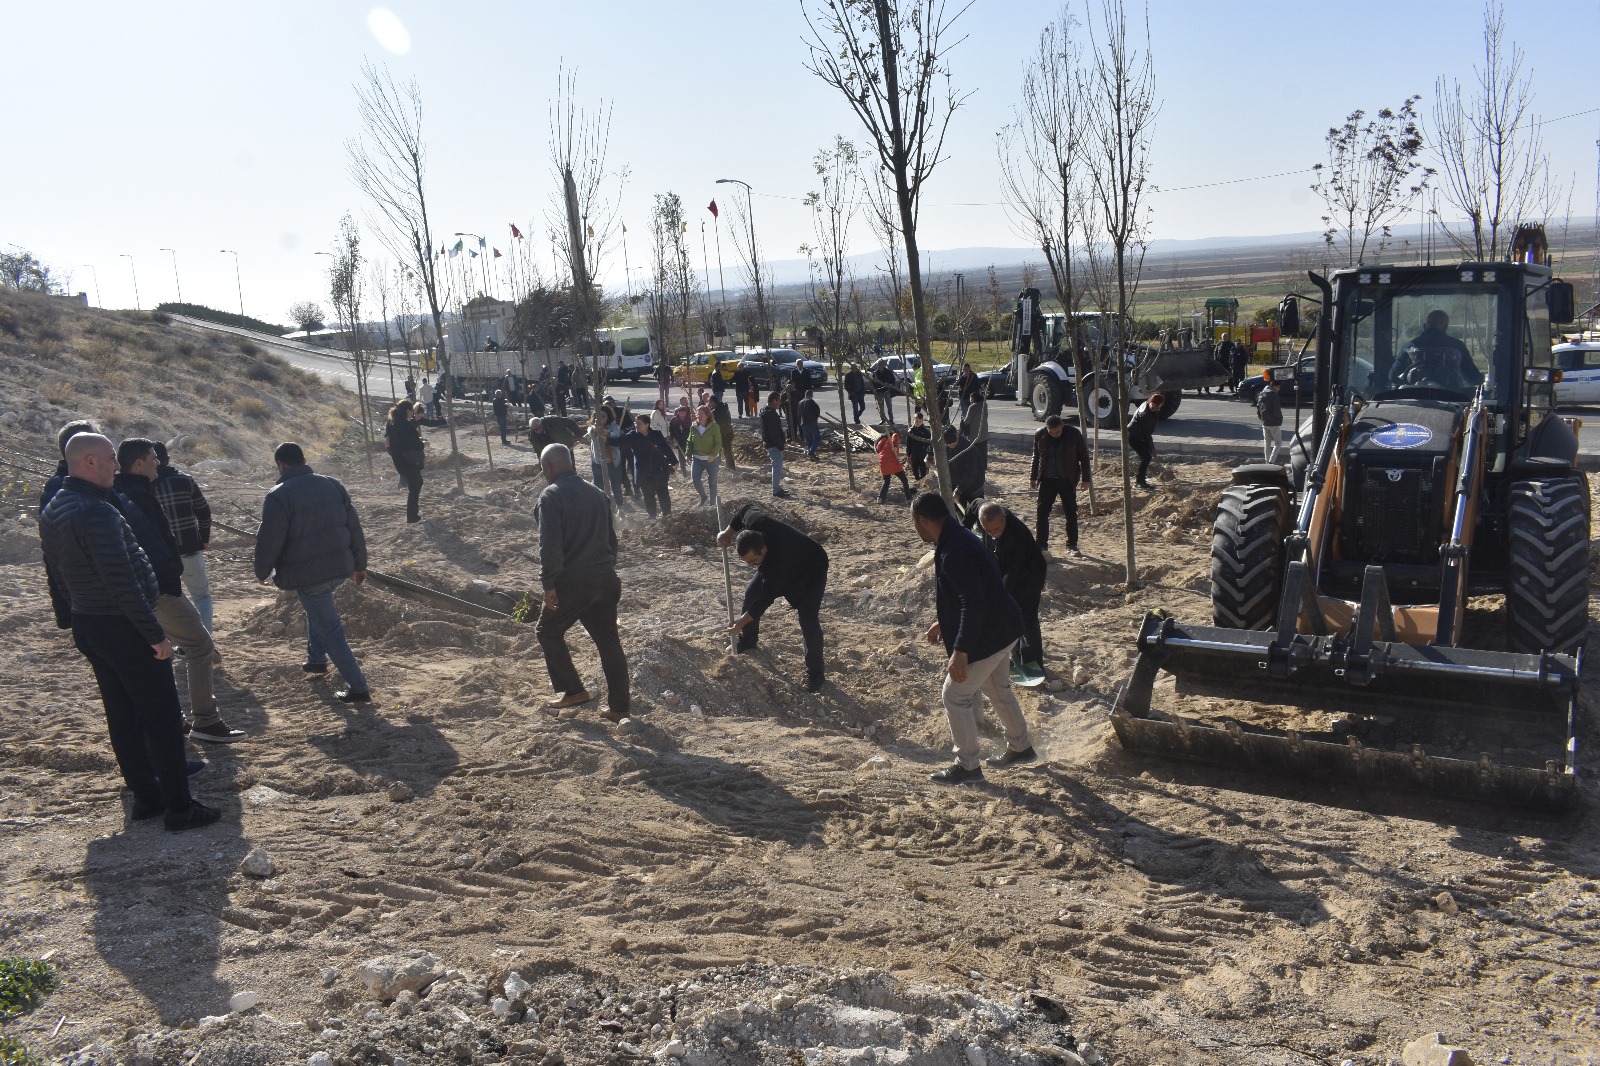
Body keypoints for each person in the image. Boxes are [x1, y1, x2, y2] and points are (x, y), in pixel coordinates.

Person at [40, 434, 222, 831]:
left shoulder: (56, 506)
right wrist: (154, 634)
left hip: (91, 622)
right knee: (162, 716)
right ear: (89, 462)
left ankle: (147, 797)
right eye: (110, 458)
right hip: (120, 624)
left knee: (122, 714)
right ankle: (179, 808)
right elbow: (121, 581)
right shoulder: (95, 510)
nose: (117, 465)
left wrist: (74, 614)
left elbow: (58, 574)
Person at [113, 438, 243, 744]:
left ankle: (173, 718)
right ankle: (206, 721)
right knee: (200, 645)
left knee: (156, 653)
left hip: (146, 590)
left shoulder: (124, 494)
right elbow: (152, 547)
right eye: (152, 458)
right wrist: (169, 582)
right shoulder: (136, 498)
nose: (158, 462)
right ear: (138, 463)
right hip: (160, 590)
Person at [911, 492, 1035, 784]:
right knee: (996, 687)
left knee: (954, 695)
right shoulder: (958, 537)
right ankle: (1021, 747)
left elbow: (974, 602)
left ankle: (967, 765)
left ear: (924, 521)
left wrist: (961, 650)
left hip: (990, 633)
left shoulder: (955, 550)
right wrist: (944, 622)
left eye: (913, 521)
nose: (914, 527)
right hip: (1003, 626)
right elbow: (977, 589)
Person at [253, 443, 371, 703]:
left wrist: (262, 570)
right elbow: (354, 526)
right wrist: (359, 565)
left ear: (281, 465)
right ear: (303, 459)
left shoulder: (278, 495)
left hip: (308, 574)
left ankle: (359, 687)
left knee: (330, 629)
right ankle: (316, 660)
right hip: (340, 567)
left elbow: (269, 540)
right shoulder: (332, 484)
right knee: (317, 610)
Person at [532, 443, 630, 721]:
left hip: (574, 582)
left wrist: (548, 583)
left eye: (543, 469)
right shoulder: (597, 493)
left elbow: (549, 545)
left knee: (547, 631)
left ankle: (574, 691)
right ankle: (620, 708)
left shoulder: (551, 496)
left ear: (549, 466)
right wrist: (604, 568)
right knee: (608, 641)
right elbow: (612, 541)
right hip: (606, 579)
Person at [716, 504, 830, 692]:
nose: (751, 566)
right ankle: (748, 640)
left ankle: (815, 674)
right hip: (785, 560)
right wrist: (727, 533)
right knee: (751, 593)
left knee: (808, 619)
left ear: (764, 549)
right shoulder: (757, 522)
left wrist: (740, 623)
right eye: (746, 562)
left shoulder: (776, 567)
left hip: (811, 569)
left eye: (753, 561)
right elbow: (745, 510)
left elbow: (764, 601)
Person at [150, 441, 217, 632]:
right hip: (189, 548)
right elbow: (204, 512)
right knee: (201, 597)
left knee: (165, 601)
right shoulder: (185, 480)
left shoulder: (143, 487)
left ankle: (176, 641)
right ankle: (205, 640)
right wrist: (204, 538)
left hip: (160, 555)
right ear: (167, 459)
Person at [978, 502, 1048, 673]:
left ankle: (1033, 665)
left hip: (1029, 578)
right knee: (1011, 618)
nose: (993, 533)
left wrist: (999, 598)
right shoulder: (990, 518)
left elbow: (1012, 574)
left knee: (1026, 620)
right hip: (1008, 572)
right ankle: (1016, 655)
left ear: (1004, 520)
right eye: (988, 530)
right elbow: (974, 506)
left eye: (996, 529)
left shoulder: (1016, 538)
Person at [1030, 414, 1091, 557]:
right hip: (1047, 480)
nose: (1054, 435)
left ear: (1062, 426)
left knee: (1071, 512)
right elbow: (1036, 456)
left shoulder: (1074, 434)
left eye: (1057, 432)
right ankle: (1041, 545)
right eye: (1051, 432)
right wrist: (1033, 477)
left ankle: (1072, 545)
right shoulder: (1040, 435)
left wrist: (1086, 479)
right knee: (1042, 513)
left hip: (1067, 480)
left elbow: (1084, 457)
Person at [1391, 309, 1482, 391]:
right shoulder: (1457, 346)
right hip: (1451, 398)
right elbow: (1475, 379)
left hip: (1416, 398)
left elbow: (1392, 376)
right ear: (1446, 327)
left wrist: (1410, 385)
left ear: (1424, 326)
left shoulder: (1410, 346)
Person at [622, 413, 679, 518]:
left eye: (639, 423)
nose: (636, 425)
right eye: (635, 423)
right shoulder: (632, 435)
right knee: (648, 496)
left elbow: (665, 448)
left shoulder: (656, 434)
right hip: (643, 471)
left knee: (663, 493)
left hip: (658, 469)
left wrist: (674, 461)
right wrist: (606, 436)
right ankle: (652, 516)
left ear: (647, 424)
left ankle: (667, 515)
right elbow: (618, 441)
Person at [385, 399, 426, 523]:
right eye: (411, 410)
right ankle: (412, 517)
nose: (413, 413)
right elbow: (413, 444)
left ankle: (414, 514)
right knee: (415, 485)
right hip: (409, 460)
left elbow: (391, 442)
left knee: (415, 484)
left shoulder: (393, 423)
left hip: (400, 459)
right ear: (407, 411)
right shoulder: (404, 425)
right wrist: (422, 444)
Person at [585, 407, 625, 507]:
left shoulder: (614, 426)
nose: (600, 418)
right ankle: (602, 506)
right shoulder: (592, 428)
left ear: (608, 417)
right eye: (598, 416)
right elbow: (591, 432)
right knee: (598, 486)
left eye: (603, 416)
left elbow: (615, 435)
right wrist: (596, 428)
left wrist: (605, 433)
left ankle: (620, 508)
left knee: (616, 486)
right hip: (597, 461)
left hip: (613, 461)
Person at [686, 405, 723, 509]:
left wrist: (713, 454)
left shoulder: (714, 427)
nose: (699, 415)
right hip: (697, 458)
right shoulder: (693, 427)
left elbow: (718, 443)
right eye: (698, 413)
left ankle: (713, 503)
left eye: (702, 414)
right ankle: (703, 497)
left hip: (712, 460)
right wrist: (688, 454)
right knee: (695, 479)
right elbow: (689, 442)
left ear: (707, 415)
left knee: (712, 482)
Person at [1128, 392, 1166, 490]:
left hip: (1138, 435)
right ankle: (1139, 482)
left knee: (1146, 456)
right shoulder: (1145, 415)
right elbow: (1147, 434)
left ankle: (1141, 480)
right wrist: (1152, 448)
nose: (1155, 408)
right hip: (1134, 436)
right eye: (1154, 406)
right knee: (1146, 457)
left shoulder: (1147, 405)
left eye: (1157, 407)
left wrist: (1151, 448)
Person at [761, 393, 792, 499]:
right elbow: (774, 433)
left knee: (778, 467)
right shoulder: (770, 415)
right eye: (779, 400)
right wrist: (780, 445)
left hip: (772, 444)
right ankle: (776, 490)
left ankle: (777, 487)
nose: (780, 403)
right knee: (777, 467)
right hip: (773, 445)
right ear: (774, 400)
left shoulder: (767, 412)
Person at [875, 427, 913, 504]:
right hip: (892, 462)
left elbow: (879, 450)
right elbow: (894, 444)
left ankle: (880, 498)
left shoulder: (884, 440)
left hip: (883, 462)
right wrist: (895, 446)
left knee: (886, 481)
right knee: (904, 480)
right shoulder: (895, 435)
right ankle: (909, 498)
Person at [1257, 378, 1285, 464]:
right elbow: (1277, 411)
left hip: (1264, 422)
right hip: (1274, 423)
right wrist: (1280, 420)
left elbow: (1258, 409)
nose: (1279, 389)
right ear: (1275, 386)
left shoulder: (1261, 394)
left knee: (1267, 443)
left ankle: (1267, 462)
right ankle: (1271, 461)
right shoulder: (1274, 396)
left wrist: (1262, 419)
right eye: (1278, 387)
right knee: (1278, 443)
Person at [711, 393, 738, 470]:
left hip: (723, 434)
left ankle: (730, 468)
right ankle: (730, 467)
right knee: (727, 451)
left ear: (713, 402)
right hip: (728, 432)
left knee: (724, 451)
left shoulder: (717, 411)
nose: (710, 404)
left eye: (710, 402)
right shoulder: (724, 407)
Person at [905, 412, 933, 481]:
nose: (918, 423)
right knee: (915, 469)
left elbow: (930, 443)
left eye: (919, 421)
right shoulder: (911, 431)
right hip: (914, 453)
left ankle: (922, 479)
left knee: (923, 468)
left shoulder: (925, 431)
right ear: (913, 420)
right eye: (916, 421)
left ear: (922, 421)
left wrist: (930, 453)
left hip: (923, 453)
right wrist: (908, 454)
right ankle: (917, 479)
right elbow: (908, 444)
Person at [668, 397, 693, 465]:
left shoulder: (689, 419)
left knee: (689, 457)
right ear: (678, 413)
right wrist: (673, 438)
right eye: (681, 413)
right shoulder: (674, 420)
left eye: (684, 413)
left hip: (688, 440)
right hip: (679, 441)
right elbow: (671, 430)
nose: (683, 415)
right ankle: (683, 470)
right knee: (681, 458)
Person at [799, 390, 822, 460]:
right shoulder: (810, 401)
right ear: (811, 395)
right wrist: (816, 417)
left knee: (809, 440)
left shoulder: (800, 402)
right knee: (817, 437)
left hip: (803, 423)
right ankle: (811, 451)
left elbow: (799, 414)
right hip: (811, 422)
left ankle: (812, 456)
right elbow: (817, 410)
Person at [873, 359, 897, 425]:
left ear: (884, 365)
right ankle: (882, 419)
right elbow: (873, 384)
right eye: (879, 365)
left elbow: (893, 381)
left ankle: (891, 419)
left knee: (889, 407)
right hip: (879, 392)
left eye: (881, 364)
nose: (880, 366)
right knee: (881, 407)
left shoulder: (889, 372)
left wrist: (890, 385)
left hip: (887, 391)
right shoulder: (875, 373)